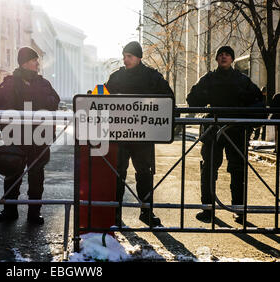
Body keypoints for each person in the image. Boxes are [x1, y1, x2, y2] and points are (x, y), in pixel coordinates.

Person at [187, 46, 263, 224]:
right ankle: (208, 209)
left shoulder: (242, 80)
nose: (223, 57)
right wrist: (206, 96)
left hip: (236, 130)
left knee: (237, 170)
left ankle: (238, 209)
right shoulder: (209, 79)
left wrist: (244, 112)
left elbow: (258, 101)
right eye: (220, 54)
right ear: (216, 59)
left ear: (232, 59)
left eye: (227, 54)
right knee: (209, 169)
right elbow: (192, 98)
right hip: (214, 129)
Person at [105, 41, 174, 227]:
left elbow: (168, 98)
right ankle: (115, 213)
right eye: (124, 56)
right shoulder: (117, 77)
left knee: (144, 173)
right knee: (118, 173)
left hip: (143, 136)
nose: (125, 59)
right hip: (120, 135)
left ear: (139, 57)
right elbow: (102, 97)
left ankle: (146, 212)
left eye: (130, 56)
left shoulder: (152, 77)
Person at [0, 46, 60, 225]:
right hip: (16, 135)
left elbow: (55, 102)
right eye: (33, 60)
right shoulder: (9, 82)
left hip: (39, 136)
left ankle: (34, 213)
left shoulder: (43, 83)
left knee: (37, 176)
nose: (37, 63)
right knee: (12, 173)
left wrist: (34, 97)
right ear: (24, 62)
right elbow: (3, 105)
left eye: (37, 60)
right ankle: (9, 210)